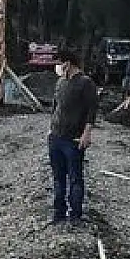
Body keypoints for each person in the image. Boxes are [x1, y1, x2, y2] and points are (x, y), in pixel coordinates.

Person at [48, 48, 98, 225]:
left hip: (73, 139)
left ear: (67, 64)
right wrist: (51, 129)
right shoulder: (61, 82)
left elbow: (92, 110)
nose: (57, 67)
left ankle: (75, 214)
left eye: (59, 63)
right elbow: (56, 107)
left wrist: (87, 133)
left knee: (75, 177)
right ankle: (59, 213)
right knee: (58, 177)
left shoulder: (85, 83)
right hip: (56, 136)